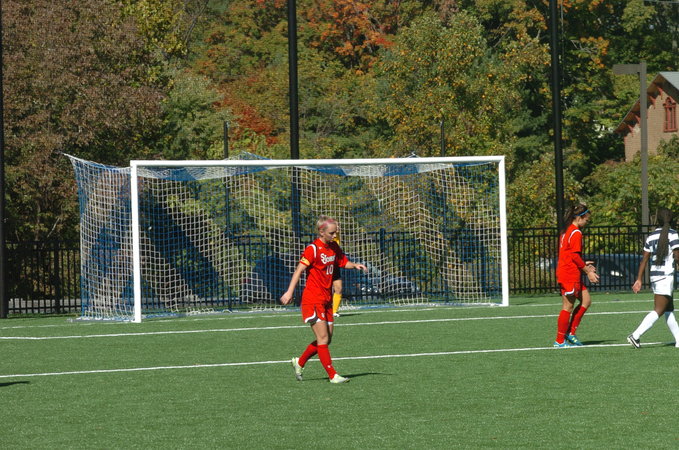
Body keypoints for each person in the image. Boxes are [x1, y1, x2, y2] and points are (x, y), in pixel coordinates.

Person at [281, 215, 367, 383]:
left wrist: (354, 265)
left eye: (336, 233)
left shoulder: (333, 246)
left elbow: (343, 262)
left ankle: (299, 362)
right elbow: (299, 270)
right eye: (331, 233)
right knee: (323, 338)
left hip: (327, 299)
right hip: (313, 299)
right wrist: (289, 292)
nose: (335, 236)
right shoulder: (313, 249)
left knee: (327, 339)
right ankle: (332, 375)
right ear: (321, 232)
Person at [627, 208, 679, 348]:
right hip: (666, 276)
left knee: (668, 309)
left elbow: (644, 260)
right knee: (659, 310)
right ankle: (635, 335)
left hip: (655, 276)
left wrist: (639, 279)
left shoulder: (651, 236)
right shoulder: (673, 234)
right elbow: (677, 256)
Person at [554, 203, 599, 347]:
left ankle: (570, 333)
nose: (586, 222)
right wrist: (588, 271)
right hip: (569, 274)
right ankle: (559, 341)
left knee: (586, 301)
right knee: (568, 306)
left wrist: (583, 263)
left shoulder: (567, 231)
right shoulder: (576, 232)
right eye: (586, 219)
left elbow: (569, 254)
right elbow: (573, 256)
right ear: (579, 218)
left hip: (568, 271)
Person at [332, 232, 343, 318]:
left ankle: (334, 311)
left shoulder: (336, 240)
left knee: (338, 288)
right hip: (324, 267)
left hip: (334, 267)